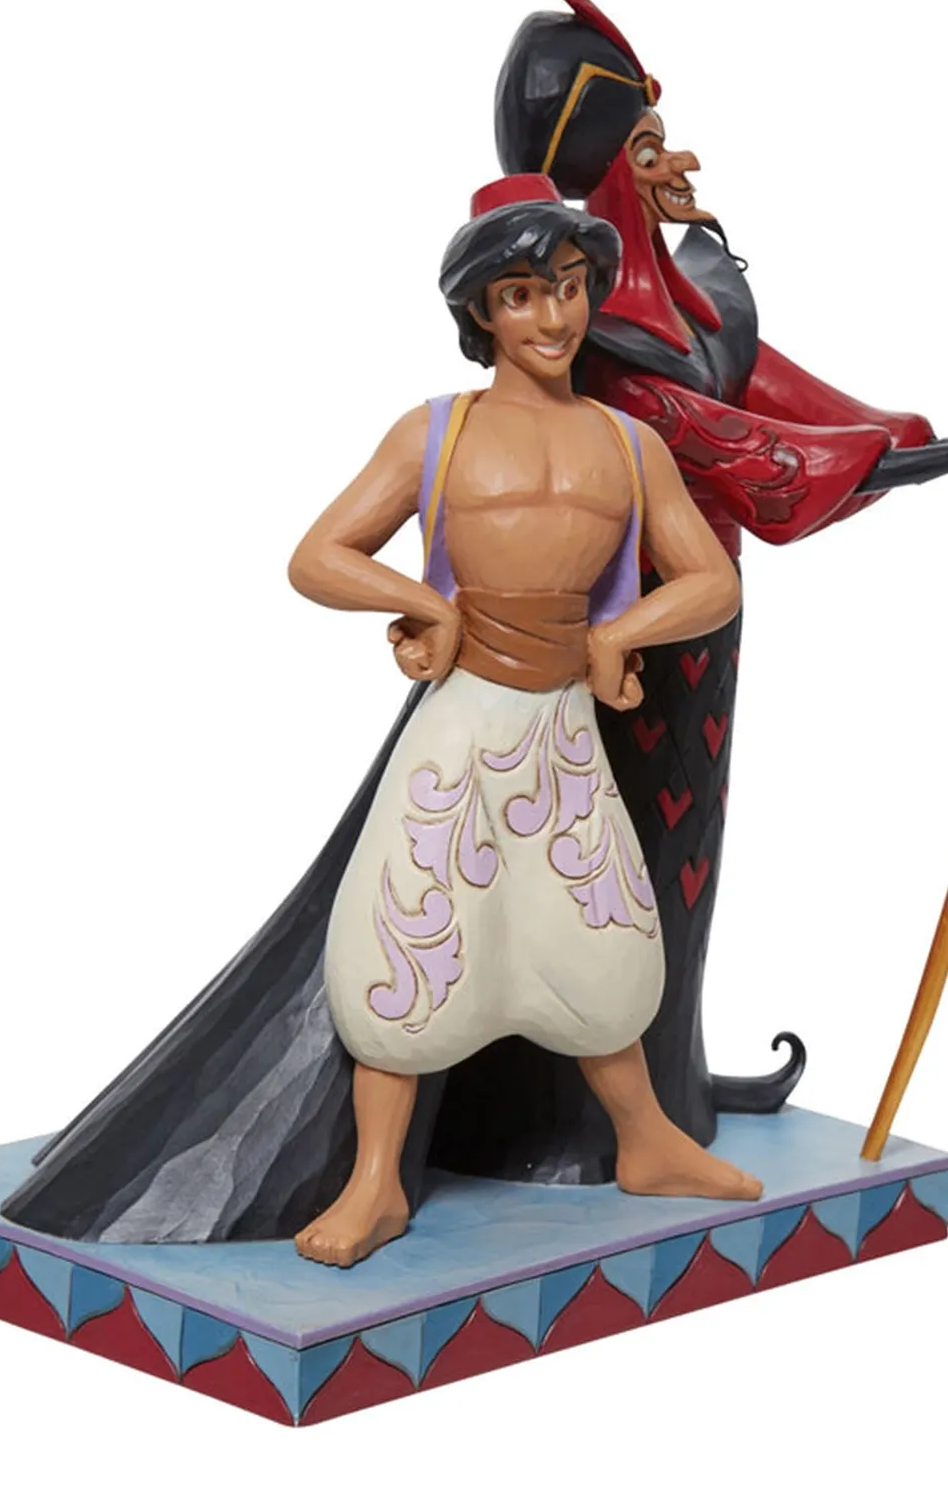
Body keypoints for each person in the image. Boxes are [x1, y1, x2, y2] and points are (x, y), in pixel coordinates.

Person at [426, 0, 948, 1182]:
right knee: (592, 876)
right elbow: (772, 466)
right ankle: (569, 1125)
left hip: (700, 625)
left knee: (673, 860)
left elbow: (831, 426)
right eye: (644, 141)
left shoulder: (694, 311)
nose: (673, 159)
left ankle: (667, 1081)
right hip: (593, 648)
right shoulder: (601, 358)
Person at [289, 174, 757, 1268]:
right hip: (461, 725)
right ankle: (375, 1180)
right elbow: (318, 556)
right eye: (520, 294)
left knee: (604, 933)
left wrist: (618, 635)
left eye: (569, 286)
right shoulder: (435, 434)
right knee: (407, 932)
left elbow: (710, 581)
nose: (553, 317)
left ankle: (647, 1139)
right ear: (480, 311)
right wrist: (423, 606)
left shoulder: (627, 445)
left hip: (562, 730)